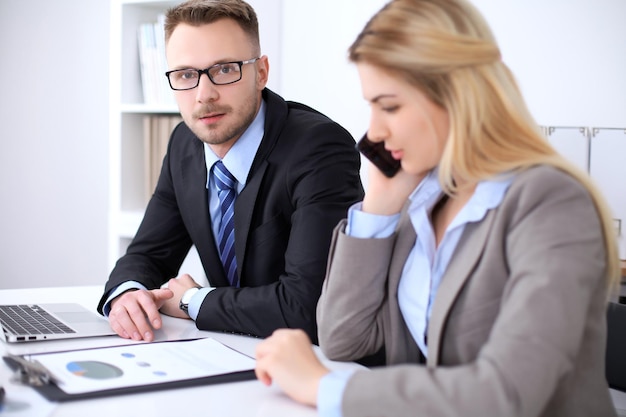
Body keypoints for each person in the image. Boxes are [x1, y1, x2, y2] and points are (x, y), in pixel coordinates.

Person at [254, 0, 621, 416]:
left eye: (389, 106)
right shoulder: (422, 200)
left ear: (456, 92)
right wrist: (379, 205)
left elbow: (506, 394)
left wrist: (323, 386)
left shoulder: (550, 203)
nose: (373, 131)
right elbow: (343, 338)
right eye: (371, 106)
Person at [97, 0, 364, 344]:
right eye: (186, 75)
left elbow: (306, 306)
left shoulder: (318, 149)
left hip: (310, 362)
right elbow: (149, 253)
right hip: (228, 352)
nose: (204, 95)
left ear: (261, 72)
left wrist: (194, 300)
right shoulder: (184, 143)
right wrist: (126, 294)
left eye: (224, 69)